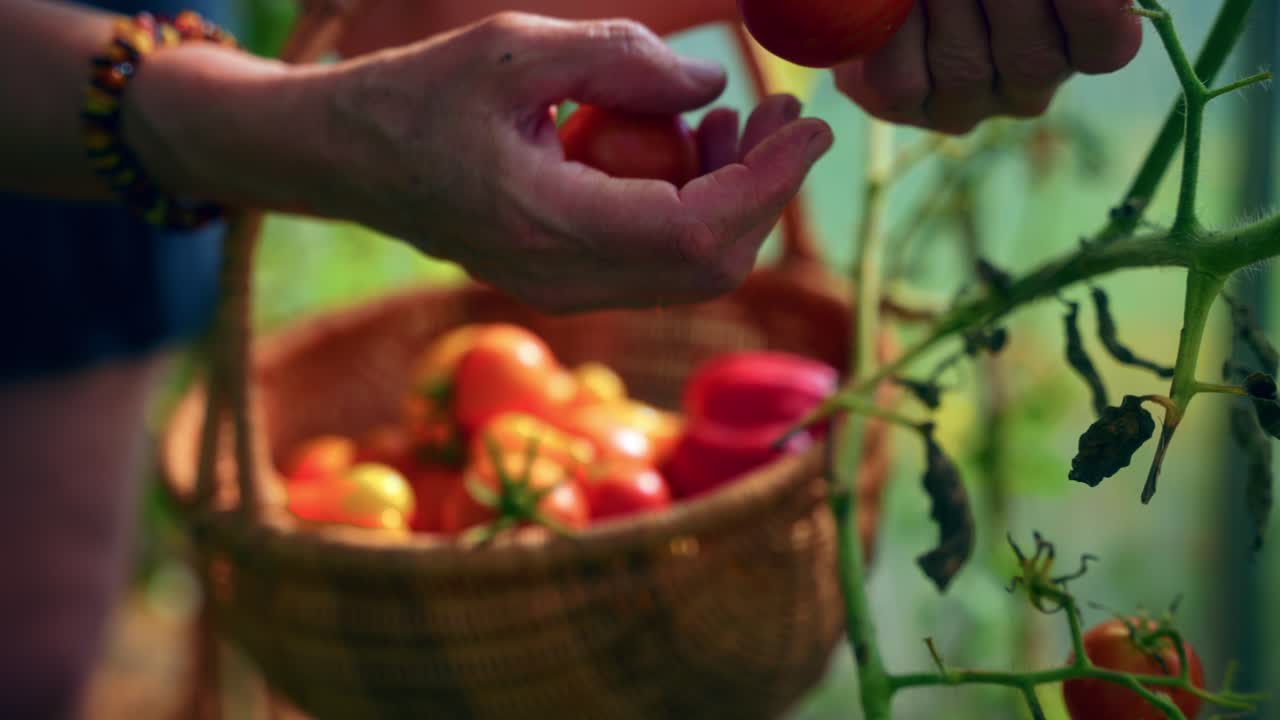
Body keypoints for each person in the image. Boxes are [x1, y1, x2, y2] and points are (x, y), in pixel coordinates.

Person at [0, 0, 1142, 716]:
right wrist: (314, 135)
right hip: (104, 101)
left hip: (103, 109)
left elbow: (400, 19)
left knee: (37, 647)